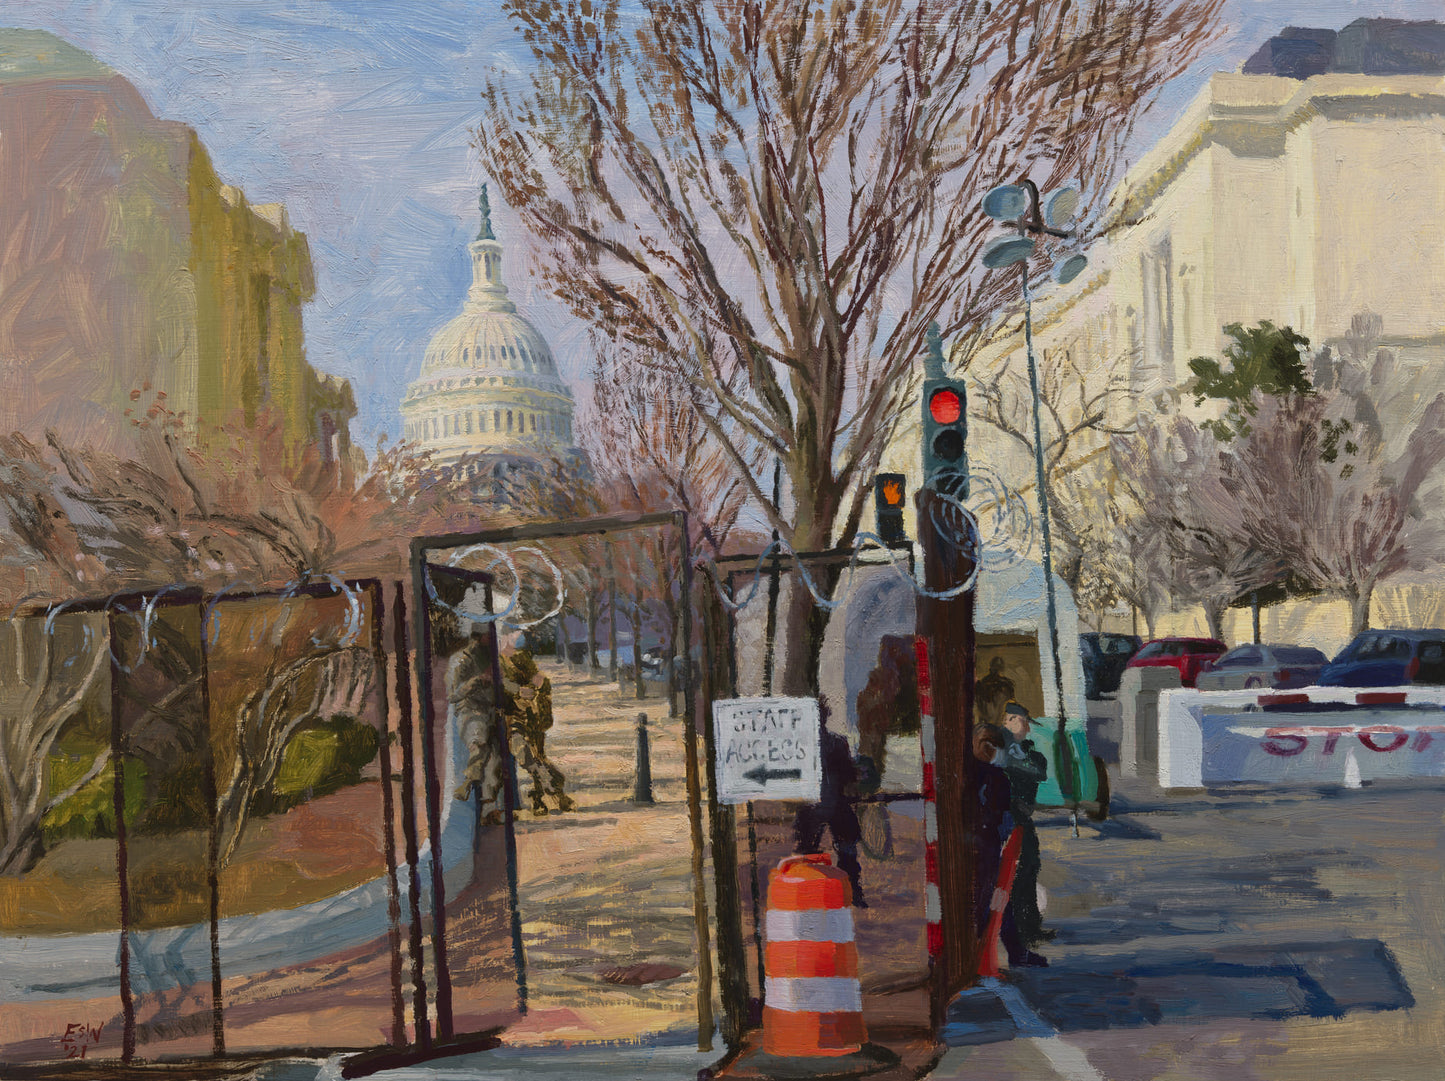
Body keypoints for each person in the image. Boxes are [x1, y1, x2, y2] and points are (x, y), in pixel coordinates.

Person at [973, 723, 1047, 968]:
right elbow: (1004, 819)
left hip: (976, 848)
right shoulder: (997, 778)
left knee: (995, 900)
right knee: (997, 899)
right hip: (990, 850)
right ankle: (1006, 954)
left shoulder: (970, 774)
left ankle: (1009, 952)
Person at [793, 697, 866, 907]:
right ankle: (852, 893)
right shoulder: (837, 743)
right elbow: (848, 777)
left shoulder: (800, 748)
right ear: (826, 718)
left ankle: (809, 894)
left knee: (806, 852)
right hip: (836, 805)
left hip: (811, 807)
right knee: (847, 850)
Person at [1001, 701, 1053, 946]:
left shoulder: (1028, 754)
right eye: (1021, 721)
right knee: (1016, 872)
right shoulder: (1000, 751)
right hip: (1006, 820)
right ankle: (1018, 931)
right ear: (1009, 721)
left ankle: (1030, 927)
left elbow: (1038, 771)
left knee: (1030, 868)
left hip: (1022, 820)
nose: (1027, 727)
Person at [975, 656, 1016, 730]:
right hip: (997, 724)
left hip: (990, 724)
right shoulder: (1007, 685)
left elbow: (979, 706)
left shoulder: (983, 684)